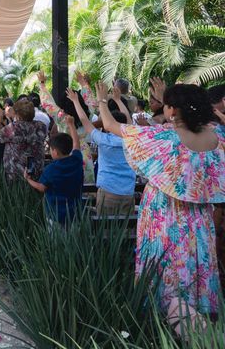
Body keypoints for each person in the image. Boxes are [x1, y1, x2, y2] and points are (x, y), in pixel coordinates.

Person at [95, 80, 225, 320]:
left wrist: (102, 100)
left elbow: (111, 125)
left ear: (172, 110)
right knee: (195, 264)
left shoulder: (164, 138)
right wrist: (174, 100)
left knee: (166, 267)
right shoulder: (217, 138)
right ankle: (199, 326)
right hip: (199, 222)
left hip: (164, 217)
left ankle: (167, 324)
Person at [65, 87, 136, 215]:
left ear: (108, 126)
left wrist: (76, 101)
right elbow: (128, 121)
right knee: (125, 231)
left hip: (108, 191)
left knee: (105, 231)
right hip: (128, 192)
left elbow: (84, 121)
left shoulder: (104, 140)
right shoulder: (131, 139)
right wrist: (118, 100)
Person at [24, 116, 83, 225]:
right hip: (75, 212)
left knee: (56, 239)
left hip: (55, 214)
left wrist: (29, 180)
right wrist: (71, 125)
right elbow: (76, 144)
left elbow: (42, 188)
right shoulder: (77, 160)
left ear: (54, 152)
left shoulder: (51, 169)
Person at [38, 70, 95, 184]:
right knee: (86, 188)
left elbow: (47, 103)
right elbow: (90, 101)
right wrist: (83, 84)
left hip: (66, 152)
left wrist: (42, 84)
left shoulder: (61, 116)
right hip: (84, 152)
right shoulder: (87, 114)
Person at [0, 99, 48, 181]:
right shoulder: (41, 126)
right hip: (36, 168)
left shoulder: (14, 128)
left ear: (18, 114)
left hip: (16, 171)